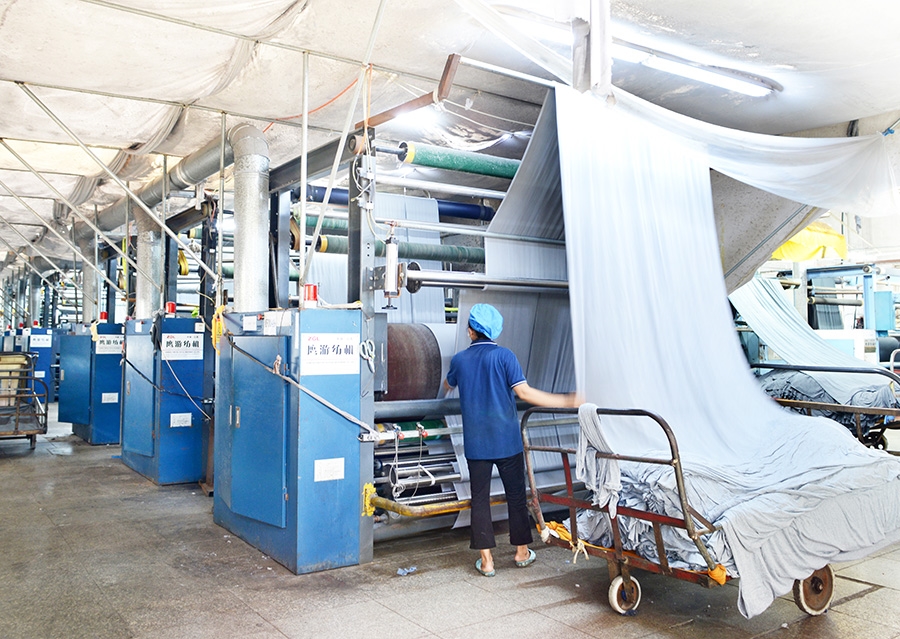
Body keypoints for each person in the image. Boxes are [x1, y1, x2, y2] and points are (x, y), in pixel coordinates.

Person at [444, 303, 578, 577]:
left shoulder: (459, 360)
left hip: (476, 444)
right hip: (507, 440)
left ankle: (487, 561)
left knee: (479, 499)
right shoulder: (505, 357)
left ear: (470, 331)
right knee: (516, 495)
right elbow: (525, 394)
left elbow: (448, 385)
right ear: (496, 331)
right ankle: (521, 552)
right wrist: (566, 400)